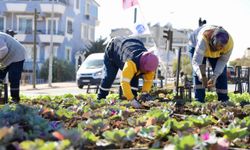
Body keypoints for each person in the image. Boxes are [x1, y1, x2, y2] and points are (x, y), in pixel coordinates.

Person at [97, 36, 159, 108]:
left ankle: (133, 99)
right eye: (144, 71)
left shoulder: (151, 65)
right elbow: (124, 82)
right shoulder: (130, 63)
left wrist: (144, 93)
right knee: (109, 76)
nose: (146, 73)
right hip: (114, 47)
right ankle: (100, 98)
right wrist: (132, 100)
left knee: (134, 78)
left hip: (132, 44)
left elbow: (148, 81)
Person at [189, 25, 234, 103]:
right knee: (199, 72)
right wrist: (202, 75)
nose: (218, 49)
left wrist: (214, 77)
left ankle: (223, 99)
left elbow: (223, 61)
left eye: (220, 47)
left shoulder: (229, 45)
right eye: (216, 46)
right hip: (196, 45)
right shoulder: (203, 39)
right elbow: (197, 62)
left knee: (222, 73)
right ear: (212, 40)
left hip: (211, 50)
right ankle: (199, 100)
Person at [0, 31, 26, 103]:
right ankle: (1, 97)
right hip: (5, 59)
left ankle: (15, 99)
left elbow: (4, 50)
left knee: (13, 77)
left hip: (17, 55)